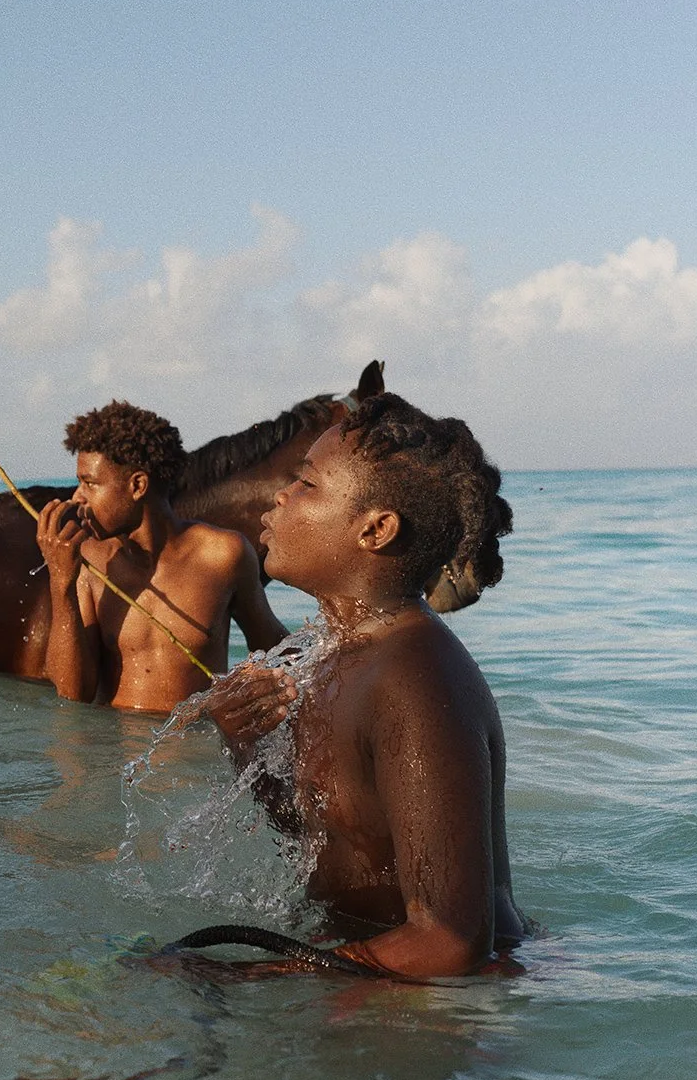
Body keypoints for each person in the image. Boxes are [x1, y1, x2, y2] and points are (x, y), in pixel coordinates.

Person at [204, 391, 527, 977]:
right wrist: (244, 742)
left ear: (375, 530)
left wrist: (251, 976)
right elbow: (323, 845)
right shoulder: (330, 654)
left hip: (448, 998)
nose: (279, 495)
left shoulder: (415, 678)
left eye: (306, 484)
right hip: (374, 964)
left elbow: (452, 942)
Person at [36, 400, 288, 714]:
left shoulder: (223, 555)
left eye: (90, 483)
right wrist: (61, 583)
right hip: (112, 753)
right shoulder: (89, 562)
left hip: (193, 751)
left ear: (137, 485)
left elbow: (276, 650)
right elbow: (72, 695)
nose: (77, 497)